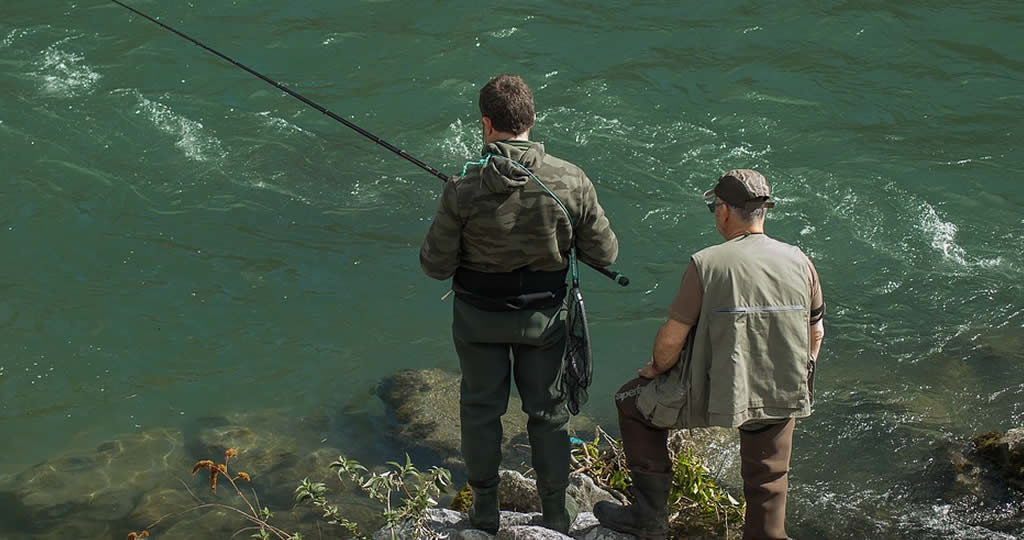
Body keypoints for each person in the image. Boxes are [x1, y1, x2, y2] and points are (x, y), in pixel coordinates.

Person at [419, 74, 619, 534]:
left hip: (478, 319)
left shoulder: (463, 186)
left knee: (480, 410)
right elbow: (605, 253)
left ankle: (484, 513)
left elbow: (434, 265)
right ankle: (555, 515)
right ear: (532, 119)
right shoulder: (571, 180)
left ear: (487, 124)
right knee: (548, 415)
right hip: (544, 320)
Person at [594, 169, 825, 540]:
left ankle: (649, 519)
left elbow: (671, 340)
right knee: (769, 478)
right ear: (762, 212)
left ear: (725, 212)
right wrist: (799, 371)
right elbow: (816, 332)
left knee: (630, 403)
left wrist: (656, 369)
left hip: (712, 389)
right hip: (779, 389)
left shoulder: (707, 263)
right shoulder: (801, 261)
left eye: (713, 206)